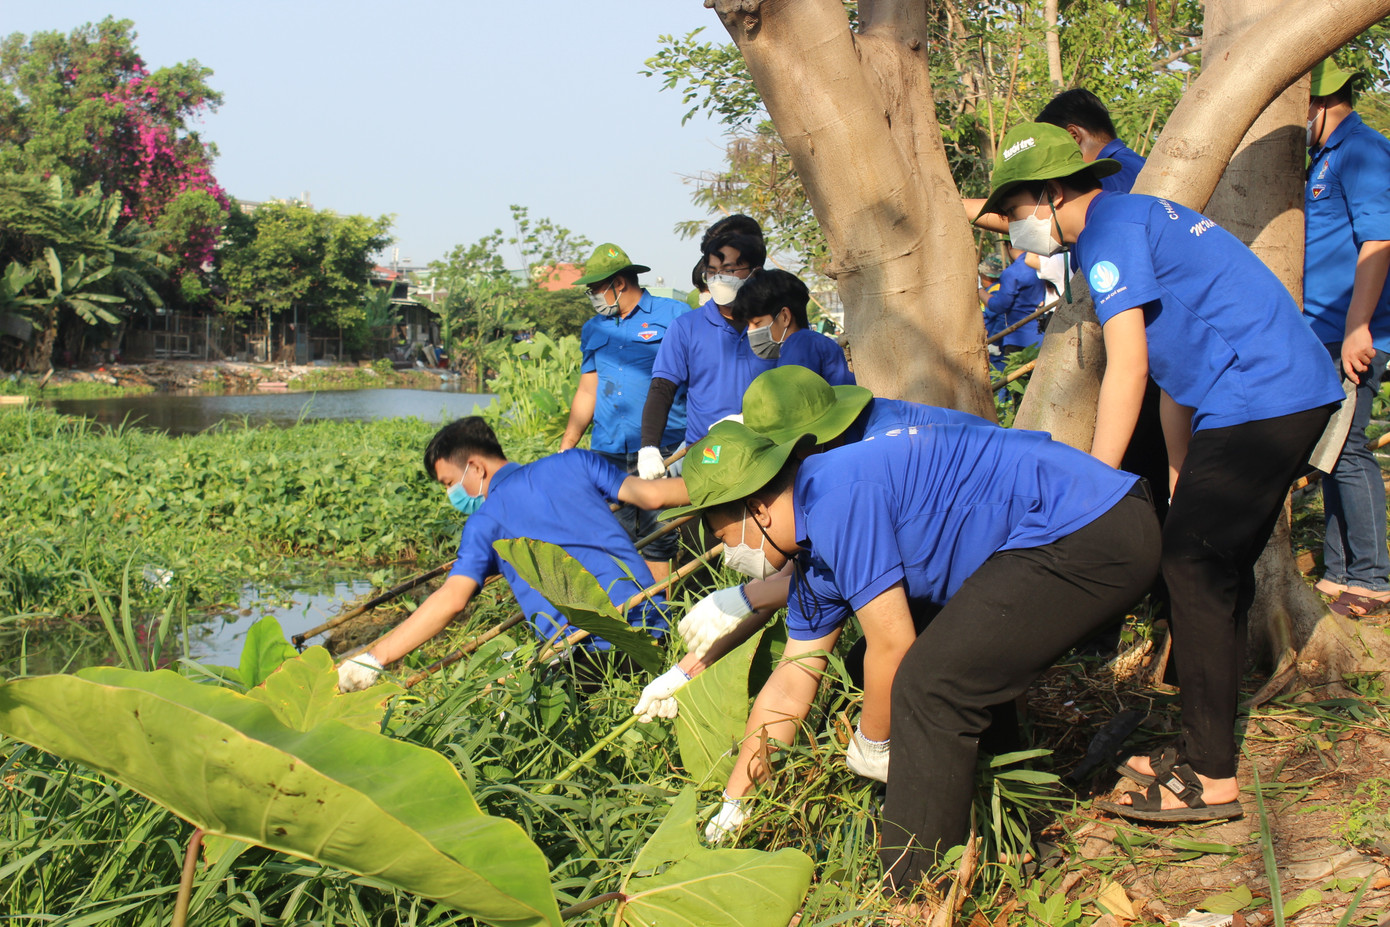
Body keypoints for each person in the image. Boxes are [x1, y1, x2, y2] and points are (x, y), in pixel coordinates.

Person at [976, 122, 1344, 822]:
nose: (1017, 229)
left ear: (1054, 194)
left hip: (1266, 393)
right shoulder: (1130, 219)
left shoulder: (1110, 232)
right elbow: (1174, 375)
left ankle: (1211, 780)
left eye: (1020, 212)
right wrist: (1178, 471)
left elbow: (1130, 367)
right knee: (1211, 565)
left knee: (1193, 568)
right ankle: (1206, 745)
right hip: (1267, 392)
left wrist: (1092, 486)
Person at [666, 418, 1158, 895]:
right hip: (1061, 532)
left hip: (1091, 526)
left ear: (759, 510)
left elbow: (894, 644)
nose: (729, 556)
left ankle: (913, 888)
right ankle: (1003, 829)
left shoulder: (837, 497)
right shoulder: (814, 555)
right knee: (922, 661)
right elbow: (791, 683)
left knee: (930, 685)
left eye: (725, 538)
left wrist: (873, 741)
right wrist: (736, 803)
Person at [632, 366, 994, 723]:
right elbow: (813, 570)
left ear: (804, 444)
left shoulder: (866, 463)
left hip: (990, 556)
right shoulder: (844, 453)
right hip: (957, 563)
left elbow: (838, 572)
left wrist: (749, 597)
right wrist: (683, 673)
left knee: (916, 677)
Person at [337, 416, 688, 692]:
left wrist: (374, 658)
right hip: (654, 626)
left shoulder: (485, 521)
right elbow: (652, 497)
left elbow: (452, 599)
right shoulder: (575, 462)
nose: (451, 494)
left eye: (449, 483)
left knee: (506, 701)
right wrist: (728, 482)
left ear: (475, 468)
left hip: (593, 655)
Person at [1302, 57, 1390, 617]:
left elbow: (1378, 242)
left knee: (1351, 450)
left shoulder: (1362, 151)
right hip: (1321, 331)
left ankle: (1373, 580)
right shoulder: (1321, 157)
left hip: (1354, 330)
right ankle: (1339, 570)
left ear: (1323, 102)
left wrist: (1358, 326)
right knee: (1329, 450)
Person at [562, 243, 691, 582]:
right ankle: (629, 614)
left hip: (662, 448)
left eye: (595, 289)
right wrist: (568, 445)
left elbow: (699, 374)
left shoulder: (674, 315)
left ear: (618, 283)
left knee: (660, 538)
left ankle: (661, 623)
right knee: (613, 537)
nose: (592, 296)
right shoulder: (594, 328)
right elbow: (587, 389)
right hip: (607, 450)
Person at [637, 233, 775, 479]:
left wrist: (752, 417)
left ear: (755, 272)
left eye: (730, 270)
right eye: (712, 271)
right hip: (710, 458)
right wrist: (649, 447)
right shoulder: (686, 328)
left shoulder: (777, 324)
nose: (719, 278)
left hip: (771, 453)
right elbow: (662, 389)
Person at [732, 268, 855, 386]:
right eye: (748, 325)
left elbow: (791, 401)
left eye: (757, 323)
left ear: (784, 316)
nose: (750, 331)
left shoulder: (799, 344)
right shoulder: (812, 341)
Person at [984, 245, 1046, 359]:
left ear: (1010, 246)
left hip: (1019, 341)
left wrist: (979, 291)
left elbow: (1000, 306)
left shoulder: (1013, 272)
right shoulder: (1044, 264)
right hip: (1044, 337)